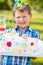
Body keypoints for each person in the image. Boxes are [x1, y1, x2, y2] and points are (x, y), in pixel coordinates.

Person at [0, 0, 41, 65]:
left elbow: (34, 57)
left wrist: (29, 47)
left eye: (24, 16)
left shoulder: (35, 35)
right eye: (18, 17)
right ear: (14, 18)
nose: (21, 19)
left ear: (30, 16)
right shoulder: (7, 32)